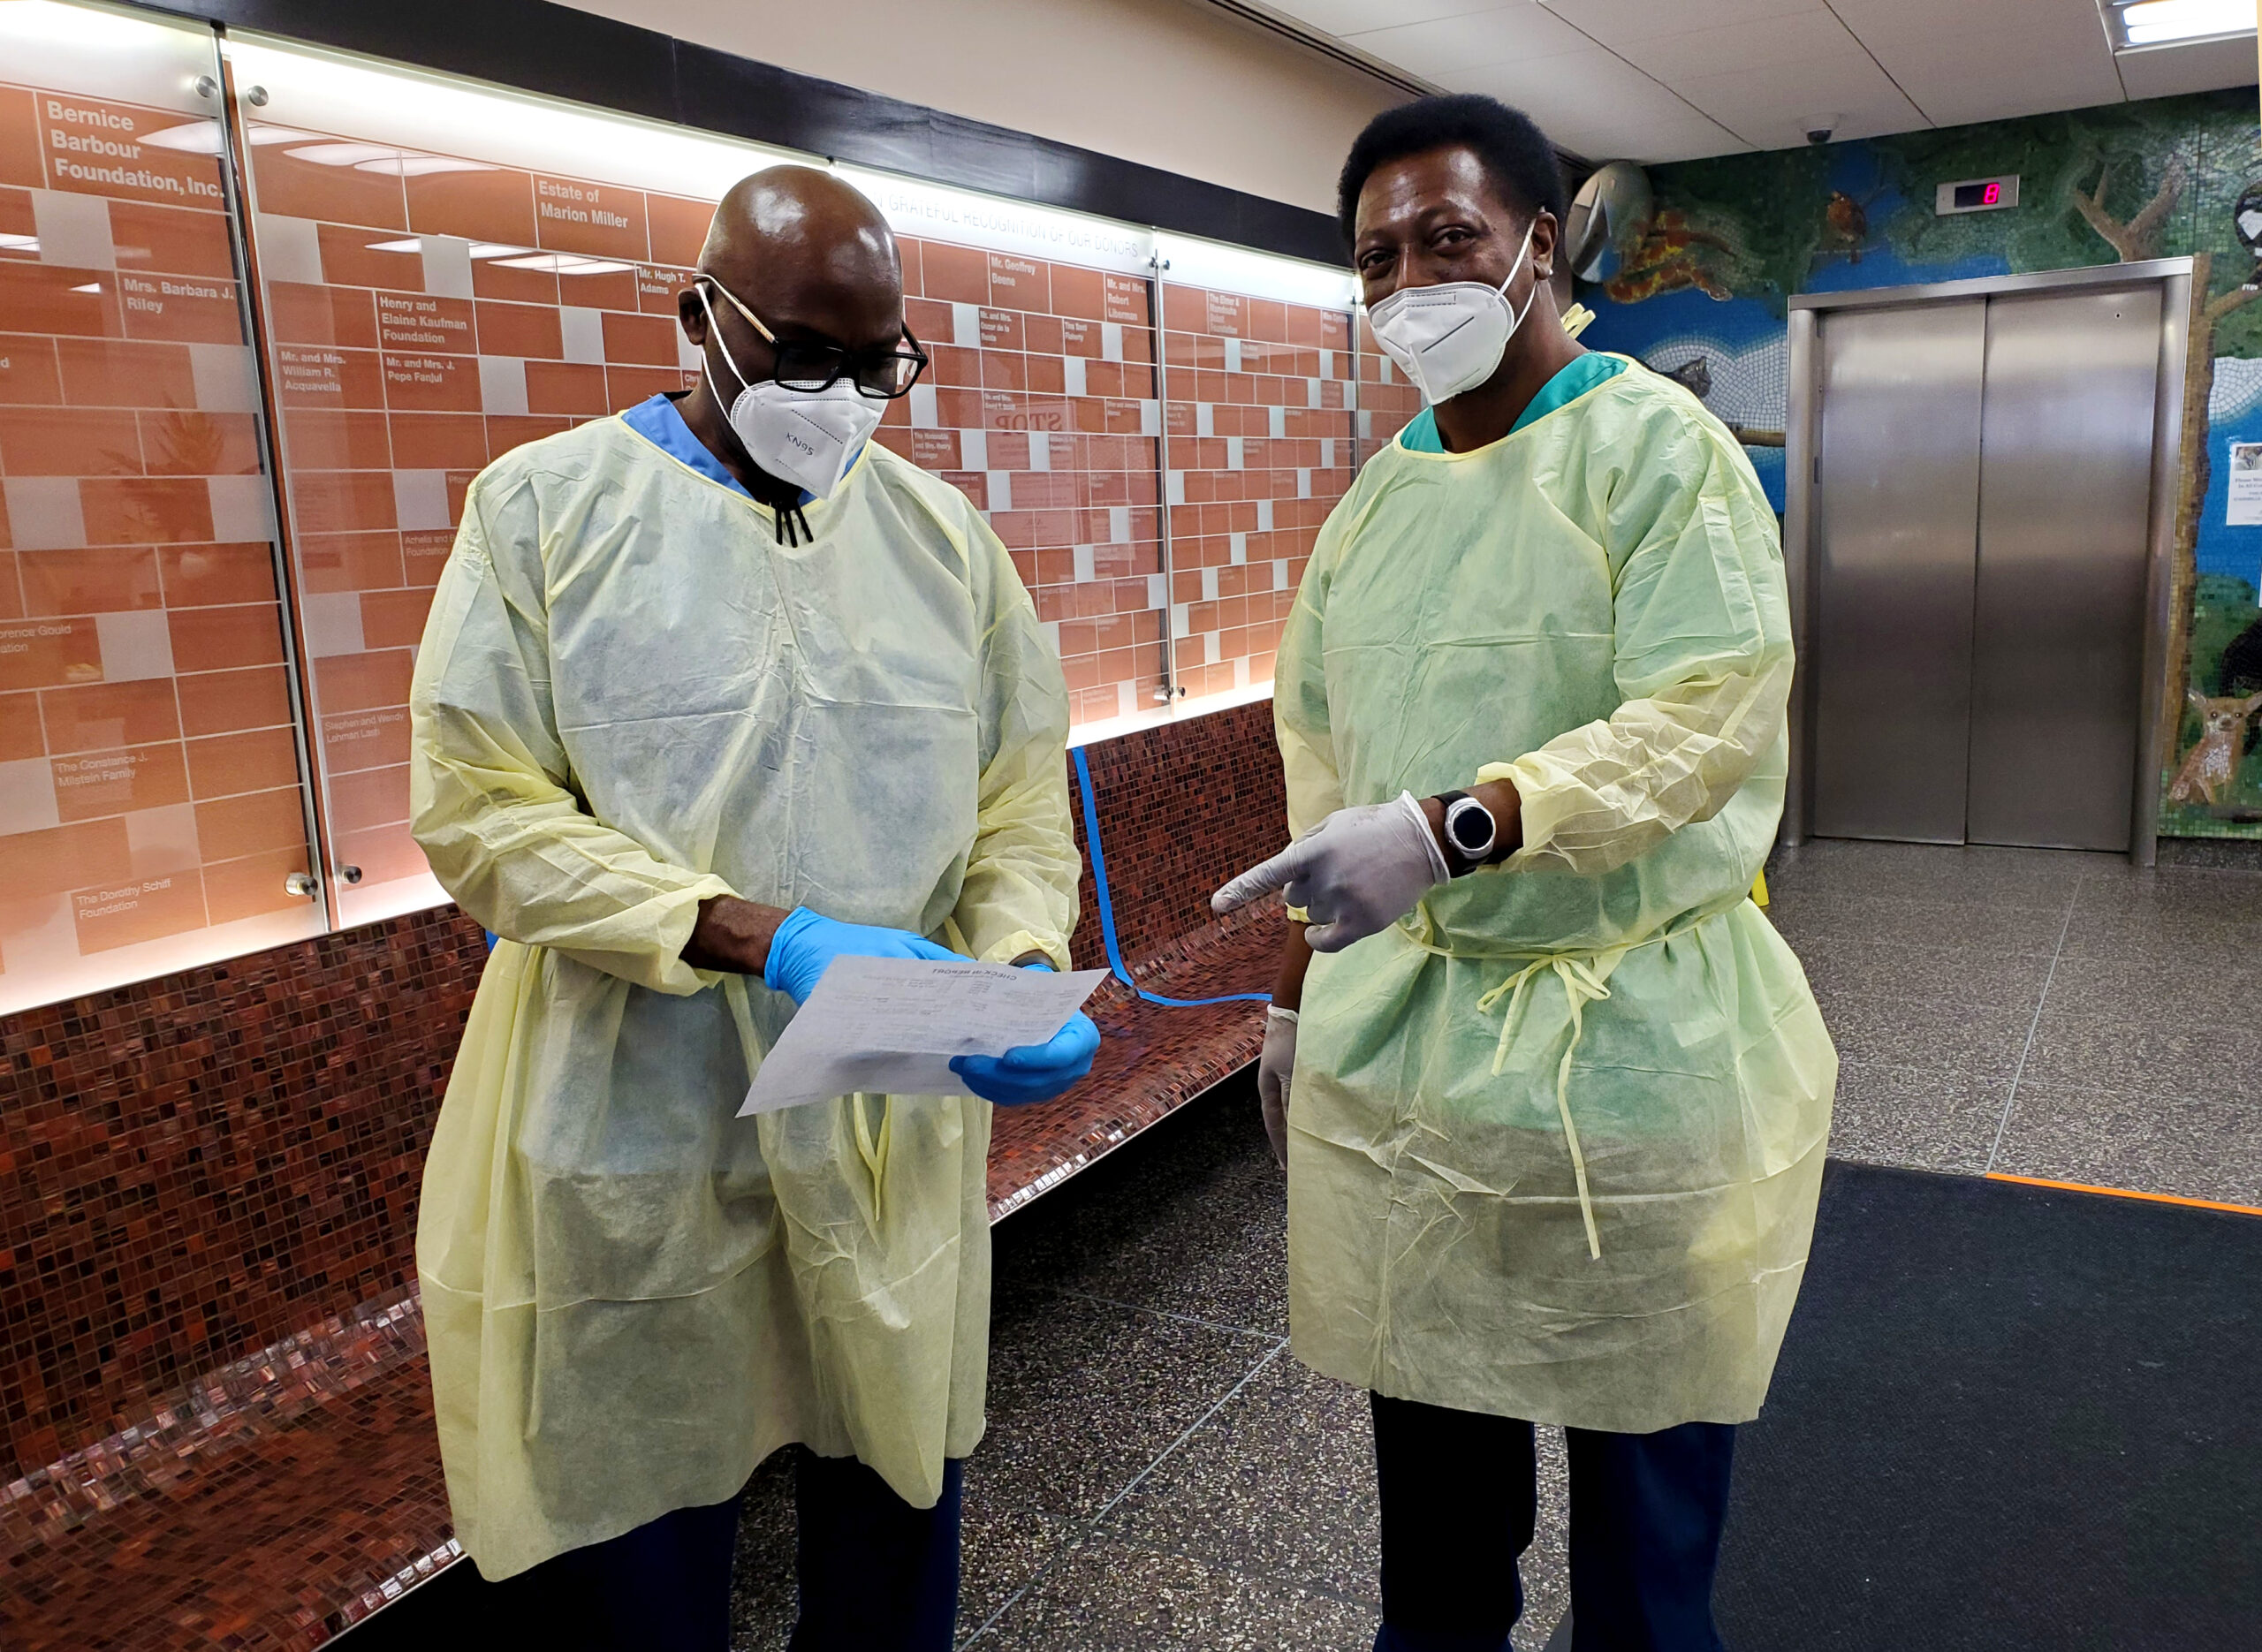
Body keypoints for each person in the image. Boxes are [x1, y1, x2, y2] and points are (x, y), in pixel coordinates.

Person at [408, 164, 1095, 1651]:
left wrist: (1017, 966)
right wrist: (753, 931)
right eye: (801, 351)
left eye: (875, 362)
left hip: (881, 1121)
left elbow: (1018, 806)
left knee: (891, 1536)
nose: (839, 391)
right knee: (643, 1563)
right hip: (634, 1133)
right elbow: (481, 811)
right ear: (699, 317)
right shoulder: (544, 513)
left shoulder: (943, 542)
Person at [1213, 96, 1836, 1651]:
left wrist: (1462, 822)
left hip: (1635, 1065)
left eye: (1448, 238)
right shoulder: (1376, 504)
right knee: (1438, 1553)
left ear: (1537, 245)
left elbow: (1700, 719)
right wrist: (1298, 986)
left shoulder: (1657, 453)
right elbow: (1325, 752)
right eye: (1376, 257)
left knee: (1643, 1552)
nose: (1410, 278)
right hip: (1420, 1080)